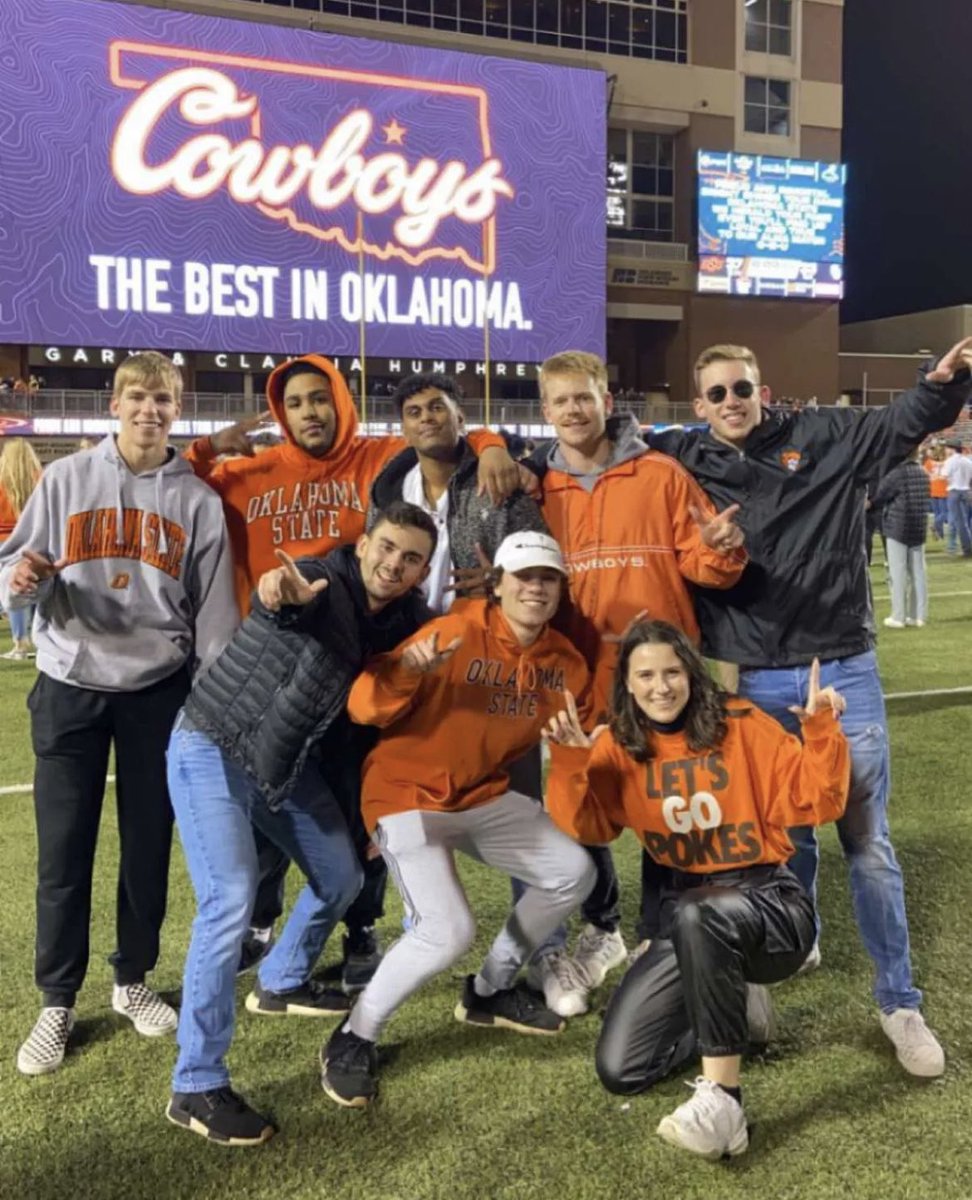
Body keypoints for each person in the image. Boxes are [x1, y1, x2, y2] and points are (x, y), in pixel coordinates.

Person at [647, 338, 972, 1077]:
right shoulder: (683, 458)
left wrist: (941, 383)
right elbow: (605, 452)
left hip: (841, 669)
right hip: (757, 679)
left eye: (743, 388)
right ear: (700, 406)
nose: (733, 401)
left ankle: (899, 1001)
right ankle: (803, 933)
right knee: (784, 840)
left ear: (763, 390)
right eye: (718, 393)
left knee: (868, 844)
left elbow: (900, 423)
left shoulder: (822, 434)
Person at [190, 355, 522, 986]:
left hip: (365, 661)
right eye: (295, 403)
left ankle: (361, 928)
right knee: (271, 801)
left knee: (358, 800)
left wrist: (492, 440)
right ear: (280, 414)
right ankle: (262, 925)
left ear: (341, 400)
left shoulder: (373, 459)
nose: (309, 412)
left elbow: (440, 436)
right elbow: (167, 476)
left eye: (320, 398)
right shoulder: (251, 471)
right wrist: (208, 448)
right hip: (287, 660)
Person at [166, 501, 437, 1146]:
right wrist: (274, 591)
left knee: (341, 878)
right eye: (387, 547)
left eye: (411, 558)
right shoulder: (321, 579)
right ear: (364, 542)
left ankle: (283, 979)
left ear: (423, 570)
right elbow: (281, 598)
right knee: (229, 898)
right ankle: (196, 1083)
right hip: (214, 743)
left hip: (283, 766)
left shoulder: (402, 621)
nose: (393, 564)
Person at [0, 351, 236, 1077]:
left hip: (158, 691)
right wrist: (21, 580)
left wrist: (211, 704)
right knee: (63, 850)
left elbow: (215, 615)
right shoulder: (66, 479)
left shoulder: (196, 500)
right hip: (70, 681)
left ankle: (131, 979)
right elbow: (15, 568)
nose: (149, 410)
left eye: (163, 399)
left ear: (176, 408)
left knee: (147, 848)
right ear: (114, 404)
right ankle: (57, 999)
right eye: (137, 396)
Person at [545, 620, 850, 1160]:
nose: (660, 687)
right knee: (622, 1070)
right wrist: (571, 762)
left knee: (696, 915)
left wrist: (820, 731)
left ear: (691, 672)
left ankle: (724, 1101)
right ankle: (733, 1004)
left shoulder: (739, 722)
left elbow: (817, 803)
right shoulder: (620, 744)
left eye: (672, 671)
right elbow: (589, 828)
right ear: (628, 684)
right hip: (689, 910)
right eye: (645, 675)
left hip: (770, 904)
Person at [320, 532, 596, 1110]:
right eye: (523, 576)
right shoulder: (457, 630)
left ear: (560, 590)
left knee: (573, 870)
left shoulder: (566, 664)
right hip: (405, 795)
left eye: (547, 578)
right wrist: (406, 671)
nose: (535, 588)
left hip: (478, 795)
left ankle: (489, 990)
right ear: (497, 584)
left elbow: (591, 735)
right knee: (446, 930)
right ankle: (355, 1033)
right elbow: (362, 705)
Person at [522, 350, 746, 1016]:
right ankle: (602, 929)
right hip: (581, 682)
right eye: (560, 400)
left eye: (583, 397)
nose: (573, 410)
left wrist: (721, 550)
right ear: (545, 410)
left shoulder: (661, 473)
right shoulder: (538, 490)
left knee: (669, 812)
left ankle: (662, 941)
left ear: (606, 398)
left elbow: (705, 567)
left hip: (660, 682)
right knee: (580, 812)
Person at [870, 450, 930, 628]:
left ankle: (898, 616)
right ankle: (919, 616)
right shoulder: (923, 473)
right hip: (918, 528)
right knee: (918, 573)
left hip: (898, 527)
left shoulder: (896, 474)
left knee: (898, 573)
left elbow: (879, 497)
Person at [0, 437, 42, 659]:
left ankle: (20, 644)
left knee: (13, 592)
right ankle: (39, 642)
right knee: (35, 590)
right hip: (34, 541)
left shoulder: (0, 480)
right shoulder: (41, 480)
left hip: (4, 542)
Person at [942, 439, 972, 556]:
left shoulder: (950, 461)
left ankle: (967, 549)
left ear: (952, 449)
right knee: (966, 521)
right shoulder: (967, 461)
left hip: (955, 491)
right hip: (966, 491)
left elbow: (945, 475)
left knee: (960, 522)